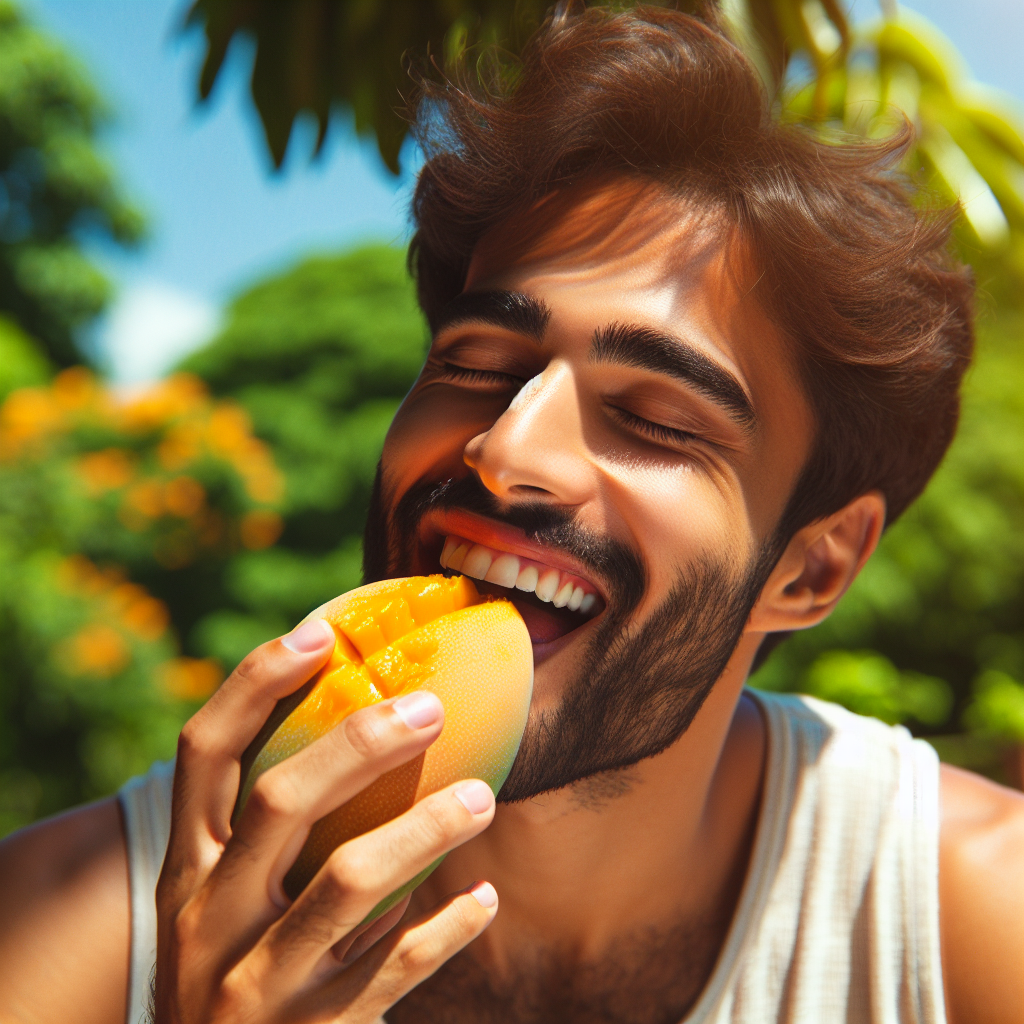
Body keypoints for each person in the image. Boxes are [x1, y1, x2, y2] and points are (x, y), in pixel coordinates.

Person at [1, 5, 1021, 1023]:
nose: (506, 449)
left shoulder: (969, 920)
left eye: (656, 419)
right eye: (472, 365)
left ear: (810, 572)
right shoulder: (68, 926)